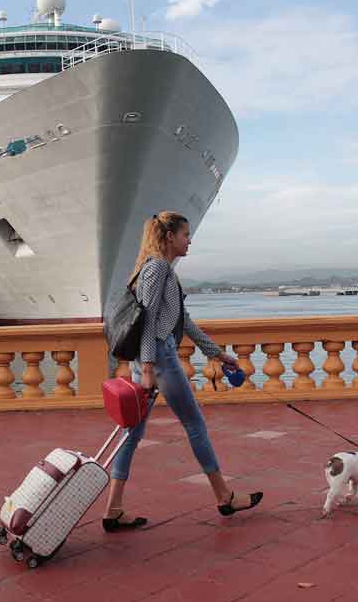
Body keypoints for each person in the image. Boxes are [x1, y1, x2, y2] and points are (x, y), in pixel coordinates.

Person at [102, 211, 264, 531]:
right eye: (185, 234)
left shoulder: (157, 269)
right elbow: (148, 320)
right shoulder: (159, 267)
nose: (189, 240)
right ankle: (224, 496)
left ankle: (113, 510)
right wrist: (148, 366)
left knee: (131, 434)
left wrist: (216, 354)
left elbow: (182, 319)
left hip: (149, 358)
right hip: (158, 358)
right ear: (168, 237)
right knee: (194, 424)